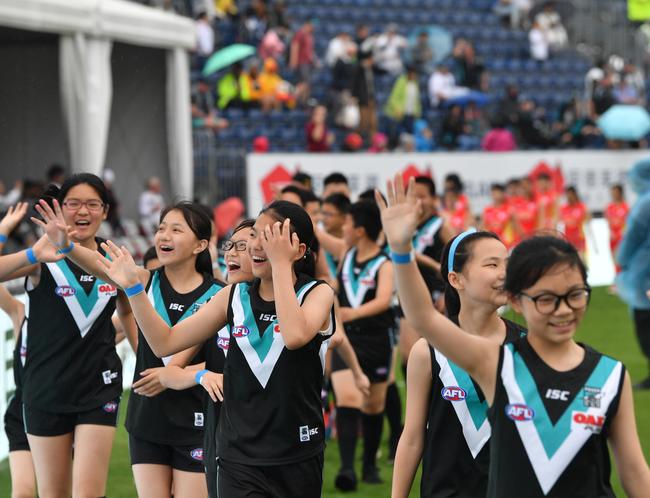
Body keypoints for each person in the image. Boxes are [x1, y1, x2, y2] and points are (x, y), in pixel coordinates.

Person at [377, 174, 650, 497]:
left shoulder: (610, 376)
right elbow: (423, 318)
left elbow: (634, 474)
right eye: (546, 298)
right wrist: (400, 250)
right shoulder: (500, 365)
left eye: (575, 294)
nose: (563, 310)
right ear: (518, 300)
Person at [99, 201, 336, 497]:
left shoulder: (318, 293)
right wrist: (134, 289)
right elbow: (165, 342)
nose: (258, 245)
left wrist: (280, 267)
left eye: (270, 236)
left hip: (297, 452)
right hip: (238, 455)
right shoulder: (233, 296)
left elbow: (294, 335)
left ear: (299, 250)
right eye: (256, 236)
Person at [36, 199, 221, 498]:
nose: (164, 236)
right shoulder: (144, 280)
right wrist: (67, 246)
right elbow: (101, 266)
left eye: (176, 230)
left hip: (198, 423)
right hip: (146, 420)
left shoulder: (220, 295)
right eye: (161, 228)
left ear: (200, 245)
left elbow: (227, 362)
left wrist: (183, 375)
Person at [0, 174, 130, 498]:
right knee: (54, 493)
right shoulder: (43, 255)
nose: (82, 211)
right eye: (73, 203)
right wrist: (32, 255)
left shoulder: (114, 258)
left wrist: (132, 348)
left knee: (87, 493)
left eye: (92, 204)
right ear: (60, 208)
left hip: (98, 389)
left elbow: (129, 311)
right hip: (45, 389)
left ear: (105, 210)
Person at [393, 230, 526, 497]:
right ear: (456, 279)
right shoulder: (427, 350)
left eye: (507, 264)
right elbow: (412, 436)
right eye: (492, 264)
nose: (504, 273)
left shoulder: (528, 346)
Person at [328, 200, 394, 489]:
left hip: (376, 340)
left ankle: (368, 466)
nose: (343, 227)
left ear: (361, 230)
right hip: (347, 339)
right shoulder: (347, 256)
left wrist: (352, 312)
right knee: (347, 398)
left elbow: (383, 300)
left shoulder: (385, 262)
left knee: (373, 404)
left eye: (347, 223)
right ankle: (346, 470)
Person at [1, 203, 36, 498]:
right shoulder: (19, 312)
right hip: (21, 413)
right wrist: (2, 231)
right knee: (23, 492)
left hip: (63, 408)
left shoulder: (76, 325)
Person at [616, 159, 650, 390]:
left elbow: (632, 239)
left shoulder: (644, 203)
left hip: (644, 273)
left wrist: (621, 260)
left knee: (645, 324)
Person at [385, 66, 421, 144]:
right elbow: (394, 97)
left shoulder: (415, 83)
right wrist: (397, 109)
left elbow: (417, 99)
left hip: (411, 112)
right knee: (396, 131)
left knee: (409, 133)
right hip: (400, 112)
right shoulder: (401, 82)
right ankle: (393, 146)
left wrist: (418, 111)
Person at [290, 20, 317, 106]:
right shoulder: (300, 34)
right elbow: (295, 46)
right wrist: (293, 61)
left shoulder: (309, 36)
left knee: (307, 84)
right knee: (303, 83)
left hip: (308, 63)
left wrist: (314, 60)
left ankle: (303, 102)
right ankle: (293, 98)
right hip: (302, 62)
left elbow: (310, 51)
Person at [560, 186, 591, 258]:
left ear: (575, 195)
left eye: (570, 194)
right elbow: (560, 222)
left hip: (579, 238)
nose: (569, 197)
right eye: (567, 195)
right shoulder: (564, 208)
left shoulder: (582, 207)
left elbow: (588, 219)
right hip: (568, 239)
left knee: (582, 261)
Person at [482, 184, 516, 248]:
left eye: (497, 193)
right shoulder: (487, 210)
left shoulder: (509, 209)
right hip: (491, 242)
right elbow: (484, 227)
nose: (495, 196)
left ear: (503, 193)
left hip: (507, 244)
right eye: (493, 193)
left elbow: (515, 227)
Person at [605, 184, 629, 273]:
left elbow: (628, 223)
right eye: (613, 192)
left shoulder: (626, 206)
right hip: (613, 238)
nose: (614, 194)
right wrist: (611, 233)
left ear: (620, 193)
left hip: (623, 237)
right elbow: (608, 221)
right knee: (614, 259)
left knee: (623, 258)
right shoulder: (609, 207)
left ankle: (624, 278)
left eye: (616, 192)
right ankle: (617, 278)